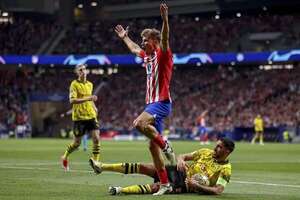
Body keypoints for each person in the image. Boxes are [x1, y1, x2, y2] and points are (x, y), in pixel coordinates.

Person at [112, 3, 175, 195]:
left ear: (154, 41)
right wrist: (125, 38)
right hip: (151, 104)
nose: (142, 43)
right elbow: (133, 49)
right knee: (152, 147)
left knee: (138, 123)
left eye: (145, 40)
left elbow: (164, 37)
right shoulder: (146, 56)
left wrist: (165, 20)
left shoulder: (162, 54)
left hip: (161, 103)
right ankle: (165, 184)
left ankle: (166, 145)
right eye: (142, 40)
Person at [89, 138, 235, 195]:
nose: (215, 149)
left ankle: (120, 190)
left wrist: (196, 185)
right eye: (216, 146)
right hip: (180, 172)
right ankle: (102, 167)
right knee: (145, 167)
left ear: (227, 151)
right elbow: (183, 156)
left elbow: (218, 190)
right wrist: (180, 160)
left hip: (185, 185)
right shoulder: (206, 152)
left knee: (157, 187)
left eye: (219, 148)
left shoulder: (226, 170)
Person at [61, 64, 101, 171]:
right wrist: (89, 98)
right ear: (77, 73)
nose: (83, 71)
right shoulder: (74, 84)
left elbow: (90, 99)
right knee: (76, 144)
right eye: (80, 70)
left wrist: (94, 107)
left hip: (91, 116)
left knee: (96, 139)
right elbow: (72, 100)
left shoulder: (90, 84)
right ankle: (64, 157)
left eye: (84, 69)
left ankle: (95, 162)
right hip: (79, 118)